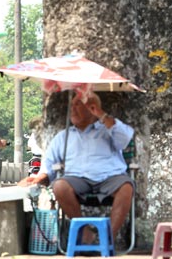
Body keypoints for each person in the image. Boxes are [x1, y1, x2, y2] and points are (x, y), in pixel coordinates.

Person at [21, 91, 134, 241]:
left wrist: (101, 115)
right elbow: (48, 164)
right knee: (60, 186)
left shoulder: (108, 130)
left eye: (78, 105)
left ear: (92, 108)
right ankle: (85, 232)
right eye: (72, 105)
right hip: (78, 180)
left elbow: (126, 138)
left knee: (127, 187)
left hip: (109, 178)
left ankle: (109, 239)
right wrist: (38, 178)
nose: (72, 109)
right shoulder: (64, 137)